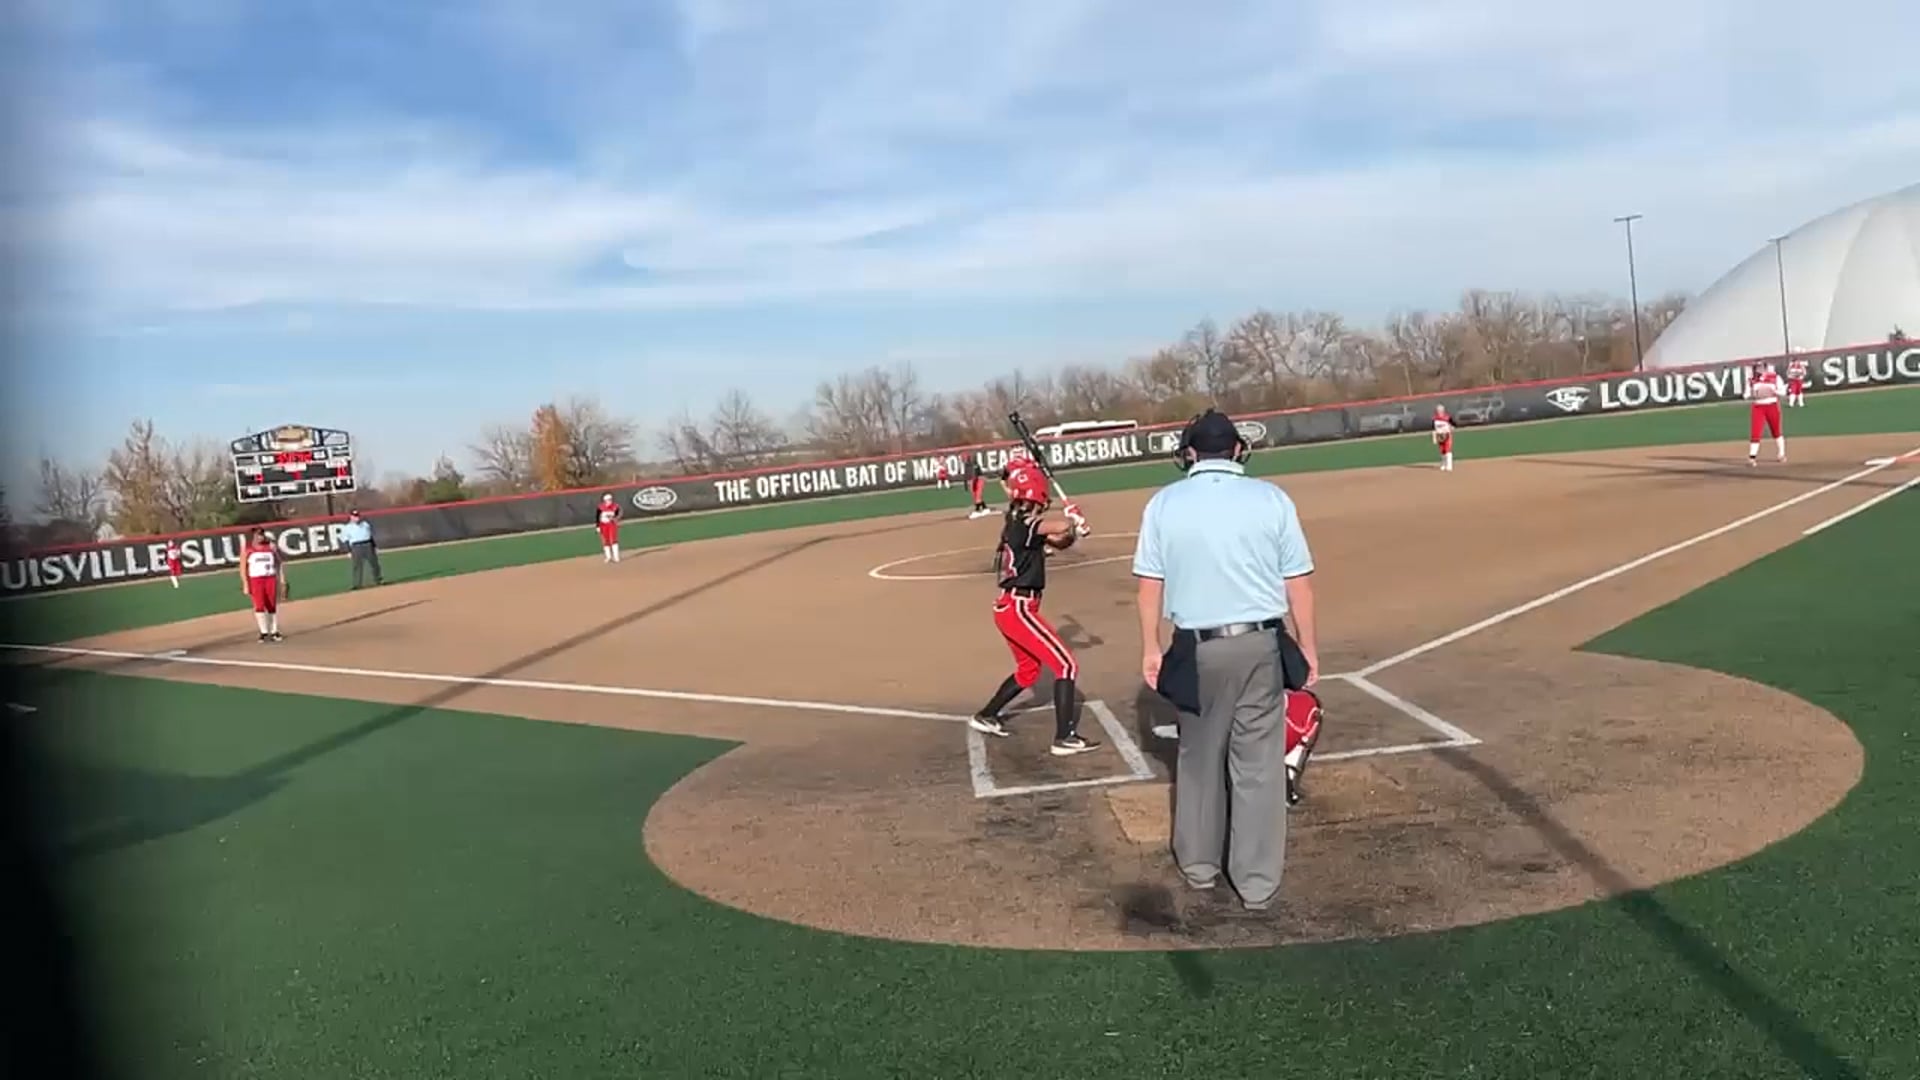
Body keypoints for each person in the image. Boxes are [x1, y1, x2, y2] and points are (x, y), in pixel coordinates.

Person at [1131, 408, 1320, 911]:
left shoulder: (1163, 503)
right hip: (1261, 644)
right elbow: (1298, 583)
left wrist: (1151, 646)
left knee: (1198, 757)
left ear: (1191, 452)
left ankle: (1199, 866)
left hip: (1197, 648)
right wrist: (1307, 646)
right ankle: (1256, 882)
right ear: (1237, 449)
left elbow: (1149, 587)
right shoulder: (1272, 498)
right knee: (1257, 763)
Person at [968, 469, 1101, 756]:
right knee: (1066, 666)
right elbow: (1055, 527)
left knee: (1028, 672)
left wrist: (1074, 530)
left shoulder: (1021, 524)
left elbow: (1060, 541)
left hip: (1012, 608)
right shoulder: (1024, 524)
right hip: (1019, 607)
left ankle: (986, 715)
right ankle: (1064, 737)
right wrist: (1071, 520)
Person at [239, 528, 288, 643]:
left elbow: (278, 563)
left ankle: (274, 631)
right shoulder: (248, 550)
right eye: (257, 535)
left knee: (271, 605)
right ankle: (264, 632)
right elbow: (242, 568)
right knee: (259, 605)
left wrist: (282, 579)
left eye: (261, 534)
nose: (260, 537)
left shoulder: (271, 548)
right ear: (253, 537)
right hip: (256, 580)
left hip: (270, 578)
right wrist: (245, 584)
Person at [1747, 361, 1787, 466]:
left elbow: (1783, 392)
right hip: (1758, 406)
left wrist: (1773, 392)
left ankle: (1781, 454)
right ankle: (1752, 457)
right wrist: (1752, 394)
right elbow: (1746, 394)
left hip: (1772, 405)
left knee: (1776, 431)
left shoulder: (1775, 377)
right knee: (1755, 431)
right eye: (1757, 367)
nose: (1758, 369)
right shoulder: (1752, 380)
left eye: (1761, 367)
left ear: (1765, 368)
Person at [342, 510, 383, 589]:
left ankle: (378, 580)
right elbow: (346, 540)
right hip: (356, 547)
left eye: (357, 516)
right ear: (351, 517)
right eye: (354, 516)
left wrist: (374, 546)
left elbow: (370, 536)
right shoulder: (347, 527)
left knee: (374, 564)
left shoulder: (365, 524)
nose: (356, 518)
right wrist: (349, 551)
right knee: (357, 566)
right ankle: (357, 584)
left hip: (368, 545)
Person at [595, 493, 623, 563]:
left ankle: (616, 557)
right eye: (607, 500)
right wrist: (597, 526)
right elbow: (597, 517)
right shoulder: (600, 507)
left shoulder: (615, 506)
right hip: (603, 525)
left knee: (613, 540)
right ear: (604, 500)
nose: (609, 501)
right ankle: (608, 557)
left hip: (611, 525)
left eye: (610, 500)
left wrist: (615, 519)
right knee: (605, 541)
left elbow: (618, 515)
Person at [1433, 405, 1455, 472]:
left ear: (1443, 410)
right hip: (1439, 435)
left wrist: (1452, 427)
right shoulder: (1435, 418)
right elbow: (1433, 428)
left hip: (1447, 435)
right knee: (1442, 450)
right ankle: (1443, 464)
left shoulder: (1447, 417)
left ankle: (1449, 465)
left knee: (1448, 450)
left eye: (1440, 410)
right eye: (1438, 410)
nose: (1439, 411)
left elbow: (1453, 424)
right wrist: (1434, 436)